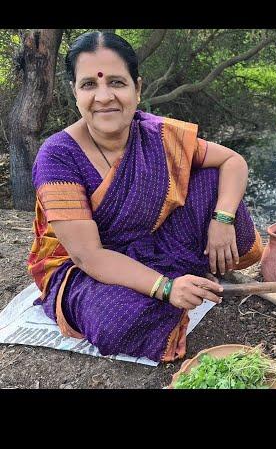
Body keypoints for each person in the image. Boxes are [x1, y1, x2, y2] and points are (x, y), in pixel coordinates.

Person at [26, 32, 263, 362]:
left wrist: (222, 220)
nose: (104, 96)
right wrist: (166, 288)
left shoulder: (156, 133)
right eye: (89, 85)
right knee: (116, 319)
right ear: (75, 92)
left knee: (213, 182)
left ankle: (182, 281)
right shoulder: (58, 157)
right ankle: (178, 287)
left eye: (117, 82)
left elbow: (233, 161)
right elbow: (89, 257)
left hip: (152, 241)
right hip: (89, 268)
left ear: (137, 89)